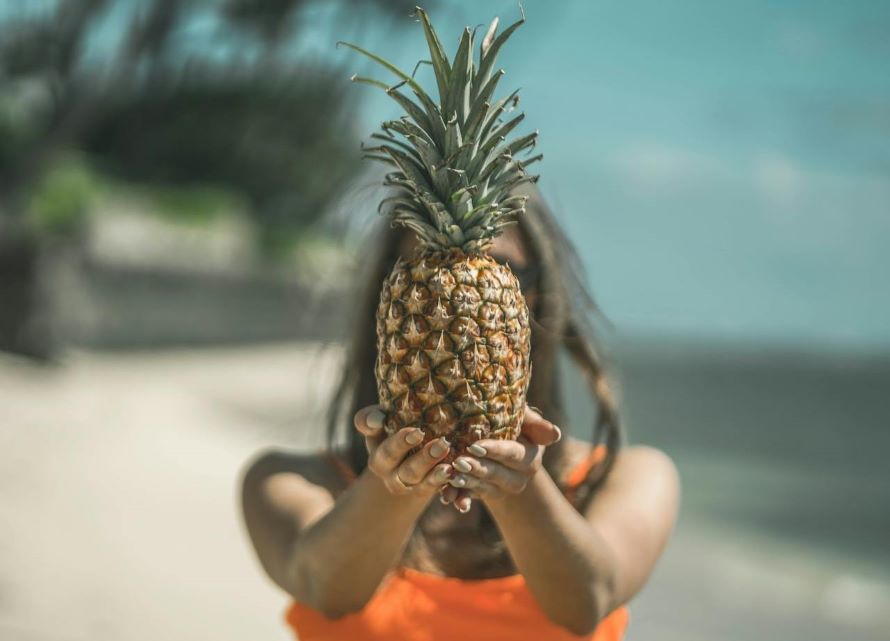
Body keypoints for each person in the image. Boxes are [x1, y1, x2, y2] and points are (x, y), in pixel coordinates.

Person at [240, 188, 680, 640]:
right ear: (389, 302)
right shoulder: (288, 481)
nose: (457, 305)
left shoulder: (627, 477)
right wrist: (398, 484)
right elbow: (326, 589)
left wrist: (517, 489)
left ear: (539, 297)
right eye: (427, 275)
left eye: (497, 270)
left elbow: (588, 601)